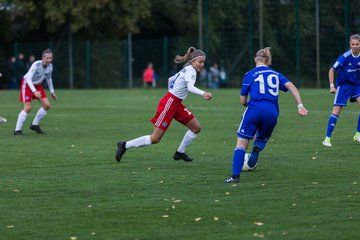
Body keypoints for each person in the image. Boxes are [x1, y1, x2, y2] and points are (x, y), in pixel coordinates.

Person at [224, 47, 308, 183]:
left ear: (255, 60)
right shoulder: (276, 74)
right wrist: (300, 105)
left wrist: (249, 104)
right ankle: (256, 150)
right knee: (261, 138)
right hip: (272, 113)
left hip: (255, 110)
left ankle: (235, 177)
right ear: (268, 60)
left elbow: (242, 101)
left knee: (241, 144)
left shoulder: (249, 74)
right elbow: (291, 86)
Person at [115, 47, 212, 162]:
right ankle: (124, 145)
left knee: (196, 128)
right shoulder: (191, 71)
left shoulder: (187, 69)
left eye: (203, 62)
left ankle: (180, 153)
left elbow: (170, 79)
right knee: (155, 138)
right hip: (170, 103)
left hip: (175, 103)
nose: (202, 64)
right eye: (200, 62)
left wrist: (171, 93)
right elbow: (189, 87)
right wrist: (203, 93)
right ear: (192, 61)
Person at [322, 34, 360, 147]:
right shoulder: (345, 56)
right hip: (344, 86)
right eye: (352, 44)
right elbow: (331, 70)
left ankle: (358, 134)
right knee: (336, 111)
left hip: (356, 86)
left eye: (357, 44)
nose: (355, 46)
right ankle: (327, 139)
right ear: (350, 45)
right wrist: (332, 86)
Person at [13, 49, 57, 135]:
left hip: (38, 85)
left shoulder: (50, 67)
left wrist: (52, 91)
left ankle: (34, 125)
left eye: (50, 58)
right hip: (27, 84)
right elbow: (28, 78)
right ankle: (17, 130)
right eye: (47, 58)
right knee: (28, 108)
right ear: (43, 58)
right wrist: (34, 91)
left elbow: (48, 78)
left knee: (47, 106)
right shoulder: (36, 64)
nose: (49, 60)